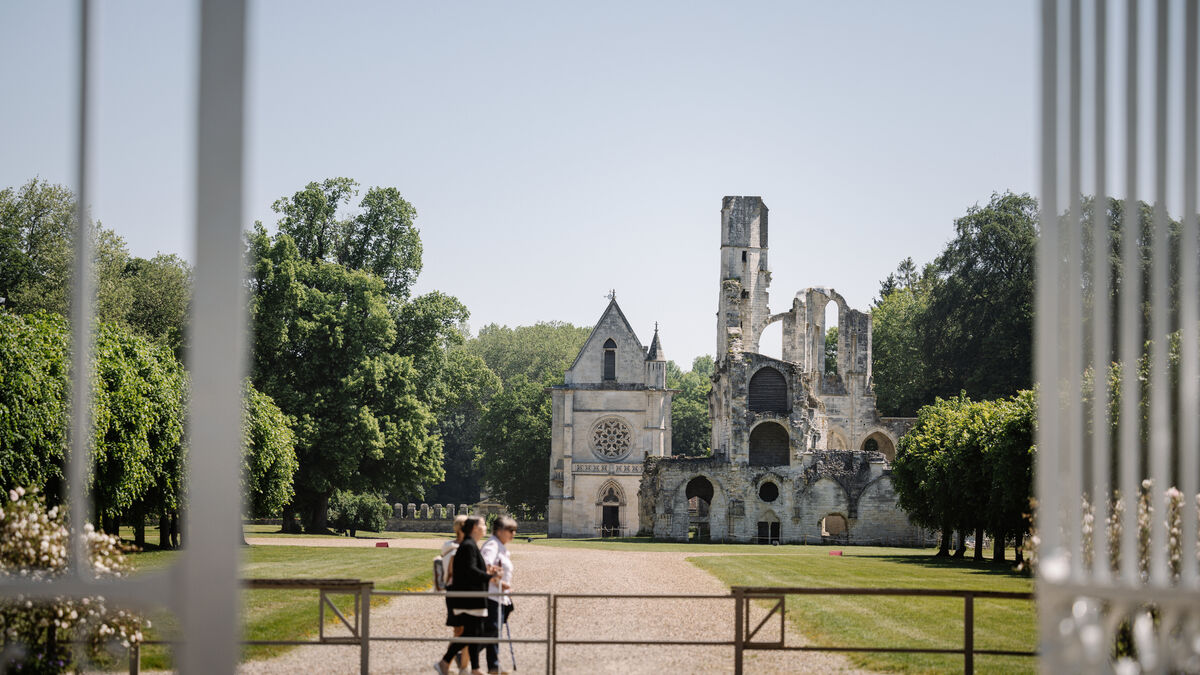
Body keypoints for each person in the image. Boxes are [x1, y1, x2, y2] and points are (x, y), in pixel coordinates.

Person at [436, 516, 500, 675]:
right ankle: (445, 662)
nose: (486, 527)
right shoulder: (469, 546)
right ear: (475, 528)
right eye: (483, 525)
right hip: (470, 597)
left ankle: (475, 669)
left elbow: (469, 569)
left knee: (474, 632)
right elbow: (470, 571)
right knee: (473, 632)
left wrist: (487, 572)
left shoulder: (470, 545)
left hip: (471, 596)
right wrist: (489, 577)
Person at [479, 516, 517, 675]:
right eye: (511, 530)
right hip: (491, 595)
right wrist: (498, 582)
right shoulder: (492, 545)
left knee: (494, 631)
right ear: (500, 530)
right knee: (492, 630)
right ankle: (463, 653)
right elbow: (486, 566)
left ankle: (493, 666)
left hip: (499, 596)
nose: (513, 534)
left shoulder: (500, 545)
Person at [441, 515, 469, 674]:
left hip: (453, 591)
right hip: (459, 591)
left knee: (460, 630)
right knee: (463, 630)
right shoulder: (458, 549)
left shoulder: (449, 546)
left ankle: (461, 666)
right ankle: (453, 664)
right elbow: (454, 573)